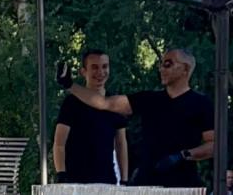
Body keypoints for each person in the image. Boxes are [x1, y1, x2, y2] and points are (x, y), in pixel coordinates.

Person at [61, 48, 215, 187]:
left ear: (185, 69)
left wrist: (183, 155)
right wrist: (70, 85)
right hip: (146, 183)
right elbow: (104, 103)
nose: (161, 69)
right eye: (160, 64)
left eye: (168, 64)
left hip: (182, 184)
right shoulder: (149, 99)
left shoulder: (201, 104)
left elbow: (213, 145)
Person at [53, 50, 129, 184]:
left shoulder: (116, 103)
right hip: (75, 181)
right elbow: (59, 143)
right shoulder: (72, 102)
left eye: (105, 66)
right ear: (83, 71)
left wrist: (124, 179)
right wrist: (61, 174)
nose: (100, 72)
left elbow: (121, 144)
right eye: (94, 67)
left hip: (106, 181)